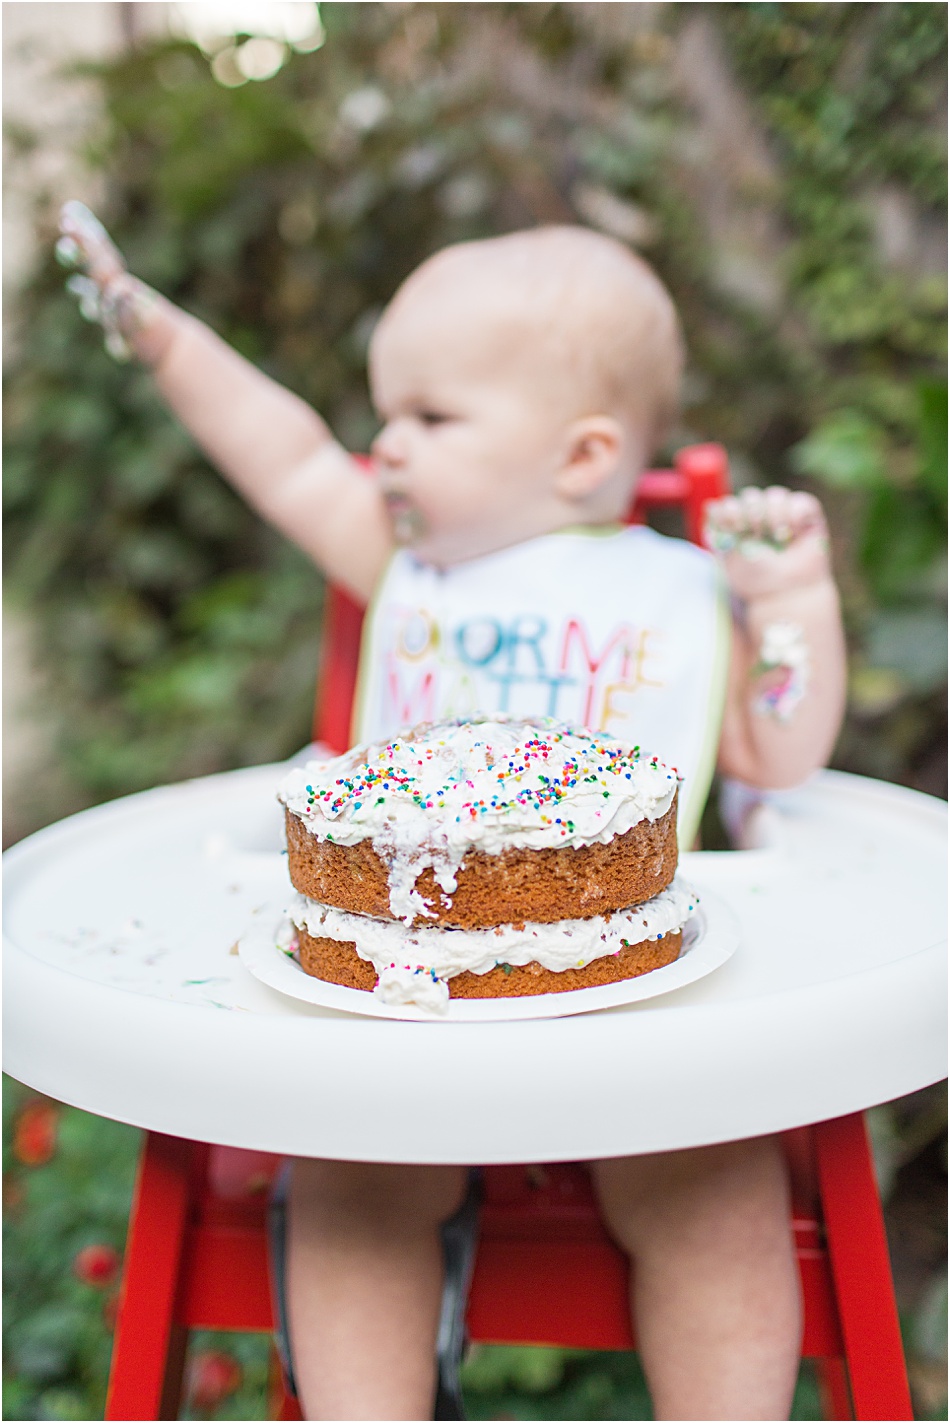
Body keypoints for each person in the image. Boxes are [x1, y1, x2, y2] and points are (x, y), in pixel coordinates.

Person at [58, 202, 847, 1422]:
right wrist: (156, 332)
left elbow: (778, 750)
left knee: (712, 1192)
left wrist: (786, 594)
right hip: (400, 1013)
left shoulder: (684, 599)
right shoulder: (407, 570)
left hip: (635, 1015)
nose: (382, 449)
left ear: (580, 457)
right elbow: (285, 454)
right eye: (383, 415)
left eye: (428, 417)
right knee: (349, 1186)